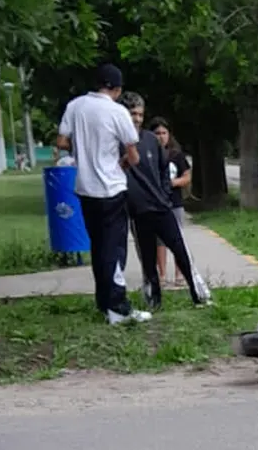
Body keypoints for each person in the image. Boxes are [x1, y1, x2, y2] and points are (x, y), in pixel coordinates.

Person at [55, 64, 152, 325]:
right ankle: (118, 308)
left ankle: (103, 301)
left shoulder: (75, 106)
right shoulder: (117, 111)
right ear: (117, 89)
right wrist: (120, 162)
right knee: (115, 249)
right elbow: (133, 155)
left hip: (85, 189)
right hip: (111, 188)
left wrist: (84, 148)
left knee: (98, 247)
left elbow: (62, 142)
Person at [119, 92, 212, 310]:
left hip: (160, 206)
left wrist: (164, 193)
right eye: (132, 114)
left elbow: (163, 169)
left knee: (180, 249)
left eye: (140, 114)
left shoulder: (151, 140)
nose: (137, 119)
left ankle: (197, 293)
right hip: (137, 211)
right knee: (148, 258)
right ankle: (154, 300)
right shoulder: (117, 142)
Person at [149, 117, 191, 286]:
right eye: (157, 133)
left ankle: (180, 274)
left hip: (175, 202)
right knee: (159, 240)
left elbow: (187, 176)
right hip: (156, 202)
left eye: (164, 133)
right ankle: (162, 274)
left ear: (169, 135)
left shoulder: (176, 155)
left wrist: (173, 182)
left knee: (177, 238)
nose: (161, 136)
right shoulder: (148, 154)